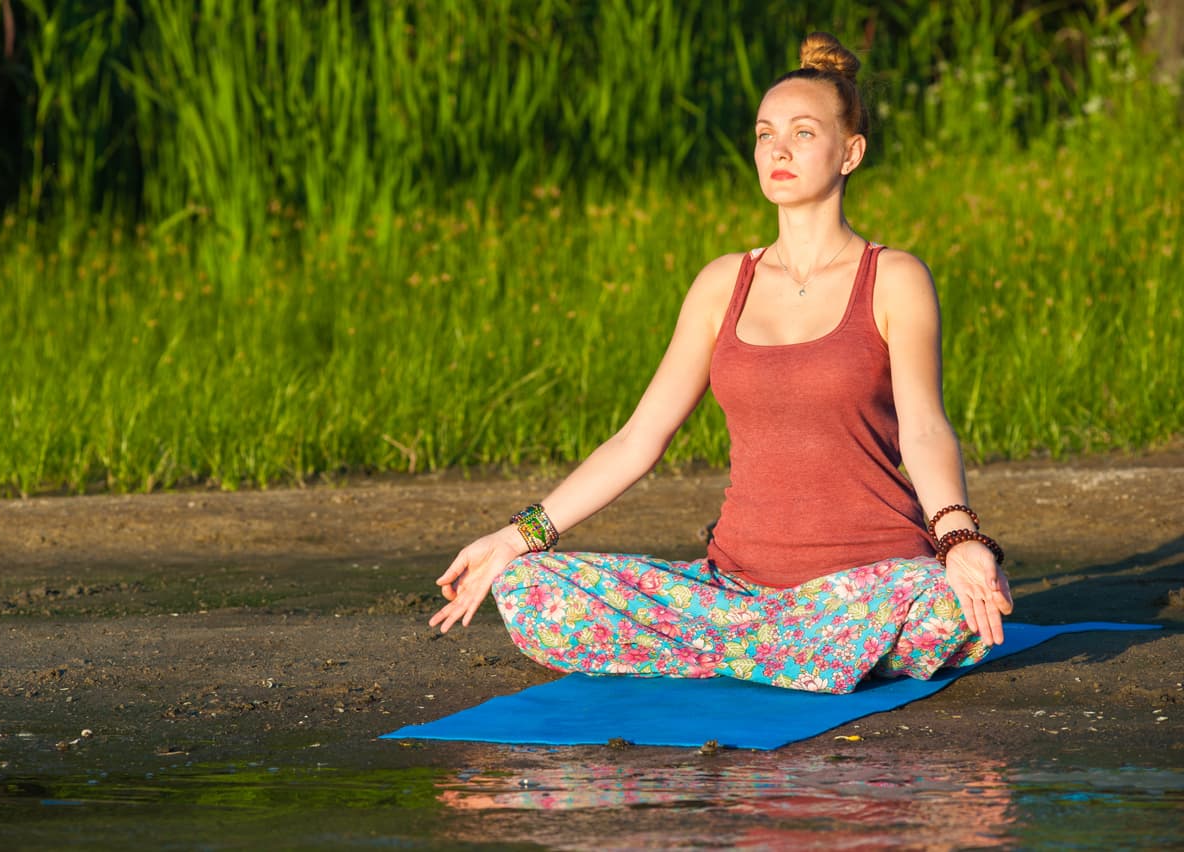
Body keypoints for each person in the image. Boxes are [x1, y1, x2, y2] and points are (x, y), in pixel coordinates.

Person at [428, 32, 1014, 694]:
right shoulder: (720, 283)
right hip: (734, 588)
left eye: (802, 132)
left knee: (946, 603)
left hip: (871, 583)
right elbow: (639, 438)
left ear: (850, 152)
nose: (778, 150)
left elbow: (926, 428)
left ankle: (744, 649)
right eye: (765, 134)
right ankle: (788, 651)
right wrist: (518, 537)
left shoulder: (894, 278)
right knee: (532, 588)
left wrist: (961, 540)